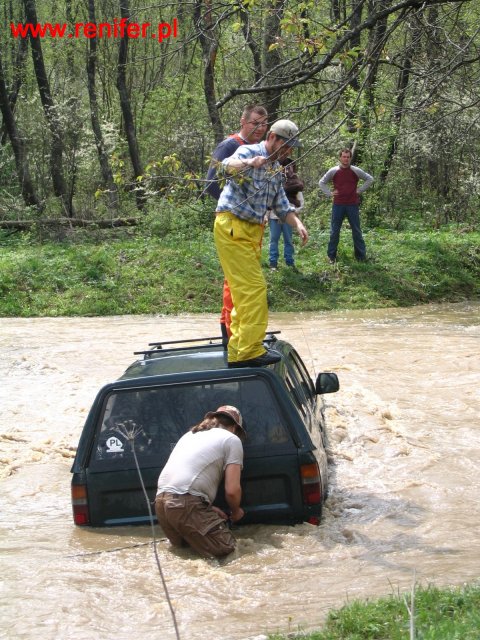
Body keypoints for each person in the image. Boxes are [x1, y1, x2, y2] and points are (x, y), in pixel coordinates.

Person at [214, 119, 308, 368]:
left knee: (242, 293)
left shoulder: (276, 169)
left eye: (291, 148)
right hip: (232, 226)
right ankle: (249, 351)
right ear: (273, 137)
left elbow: (281, 205)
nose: (288, 151)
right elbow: (224, 167)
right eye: (286, 146)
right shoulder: (250, 151)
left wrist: (296, 223)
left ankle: (238, 349)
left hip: (252, 233)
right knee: (254, 289)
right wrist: (248, 163)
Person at [205, 105, 269, 344]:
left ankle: (244, 334)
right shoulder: (230, 146)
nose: (259, 128)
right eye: (254, 123)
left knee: (245, 283)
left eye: (263, 124)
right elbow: (211, 183)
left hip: (254, 225)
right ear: (243, 121)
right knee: (234, 283)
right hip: (234, 223)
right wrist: (235, 207)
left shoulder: (263, 151)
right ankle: (231, 336)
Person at [155, 405, 246, 559]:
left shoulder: (189, 435)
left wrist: (206, 507)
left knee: (187, 555)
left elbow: (184, 480)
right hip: (185, 504)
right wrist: (236, 511)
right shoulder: (232, 440)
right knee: (229, 552)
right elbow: (232, 490)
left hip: (161, 503)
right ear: (234, 428)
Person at [318, 148, 374, 263]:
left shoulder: (355, 170)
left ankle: (361, 257)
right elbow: (322, 182)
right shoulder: (333, 171)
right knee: (334, 231)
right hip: (338, 205)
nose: (346, 159)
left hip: (352, 204)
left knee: (356, 231)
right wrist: (329, 193)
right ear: (340, 157)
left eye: (348, 157)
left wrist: (360, 190)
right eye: (344, 157)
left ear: (350, 158)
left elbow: (370, 179)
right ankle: (331, 256)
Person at [268, 156, 305, 270]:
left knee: (288, 240)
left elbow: (301, 202)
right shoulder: (274, 181)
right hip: (274, 216)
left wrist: (294, 212)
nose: (287, 170)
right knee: (274, 239)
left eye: (290, 167)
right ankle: (273, 262)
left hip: (289, 217)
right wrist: (266, 215)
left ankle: (289, 261)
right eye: (285, 167)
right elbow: (268, 199)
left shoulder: (295, 184)